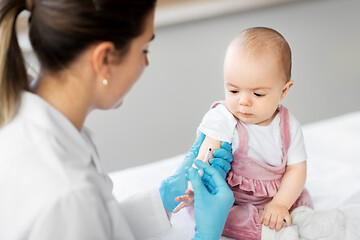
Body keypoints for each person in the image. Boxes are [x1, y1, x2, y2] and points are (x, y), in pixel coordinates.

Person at [0, 0, 235, 239]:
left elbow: (97, 224)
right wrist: (206, 234)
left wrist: (163, 198)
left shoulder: (27, 113)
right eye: (144, 50)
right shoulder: (67, 192)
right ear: (104, 59)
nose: (146, 63)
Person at [174, 27, 315, 239]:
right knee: (227, 218)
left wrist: (280, 203)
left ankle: (298, 219)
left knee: (301, 198)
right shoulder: (225, 119)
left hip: (276, 196)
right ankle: (269, 231)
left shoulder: (288, 125)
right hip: (233, 199)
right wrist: (196, 188)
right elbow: (205, 156)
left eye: (258, 93)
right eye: (233, 90)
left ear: (284, 91)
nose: (243, 101)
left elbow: (296, 169)